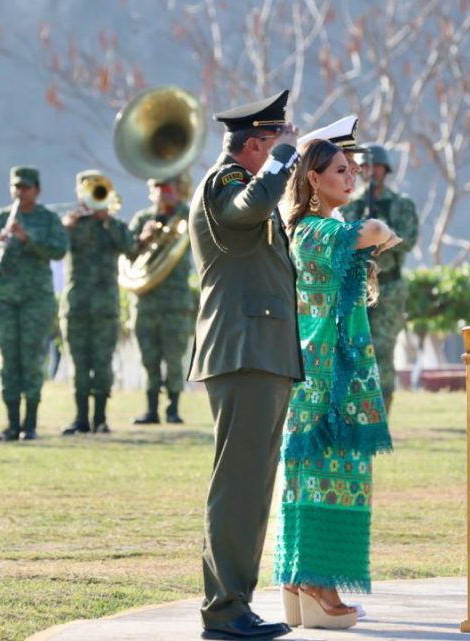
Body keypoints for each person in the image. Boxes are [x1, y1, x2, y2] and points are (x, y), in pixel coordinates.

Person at [274, 139, 399, 631]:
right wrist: (378, 234)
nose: (352, 178)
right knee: (325, 474)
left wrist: (378, 236)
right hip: (324, 376)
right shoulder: (312, 231)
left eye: (353, 170)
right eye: (341, 170)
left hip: (328, 370)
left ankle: (300, 580)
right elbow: (376, 232)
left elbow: (376, 236)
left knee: (322, 473)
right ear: (313, 178)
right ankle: (317, 584)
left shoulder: (320, 229)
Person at [188, 90, 300, 641]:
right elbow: (245, 211)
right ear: (256, 145)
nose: (287, 151)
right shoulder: (225, 182)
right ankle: (224, 609)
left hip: (261, 350)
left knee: (252, 486)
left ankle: (235, 603)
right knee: (238, 485)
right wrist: (281, 163)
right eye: (277, 142)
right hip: (244, 349)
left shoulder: (249, 179)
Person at [0, 166, 68, 442]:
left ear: (37, 190)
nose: (20, 192)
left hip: (36, 300)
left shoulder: (48, 219)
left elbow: (60, 249)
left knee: (31, 359)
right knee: (7, 360)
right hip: (3, 299)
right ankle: (12, 424)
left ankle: (30, 424)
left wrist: (29, 240)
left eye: (25, 187)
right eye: (16, 187)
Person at [341, 143, 418, 414]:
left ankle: (382, 409)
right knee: (355, 347)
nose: (372, 172)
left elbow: (407, 240)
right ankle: (356, 408)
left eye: (378, 167)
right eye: (367, 167)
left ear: (386, 170)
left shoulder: (401, 205)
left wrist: (379, 231)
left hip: (389, 286)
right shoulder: (350, 204)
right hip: (357, 285)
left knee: (383, 349)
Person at [59, 171, 136, 435]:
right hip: (76, 306)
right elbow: (57, 248)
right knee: (79, 365)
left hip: (105, 307)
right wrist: (66, 227)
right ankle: (81, 418)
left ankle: (101, 418)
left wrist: (108, 221)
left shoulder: (113, 225)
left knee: (103, 364)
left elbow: (131, 248)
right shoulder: (72, 225)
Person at [128, 176, 194, 425]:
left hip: (175, 302)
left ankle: (173, 409)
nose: (163, 192)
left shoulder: (187, 216)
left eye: (168, 187)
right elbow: (126, 253)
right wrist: (143, 239)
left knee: (174, 357)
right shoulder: (142, 220)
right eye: (157, 187)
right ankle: (151, 409)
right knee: (149, 358)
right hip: (145, 301)